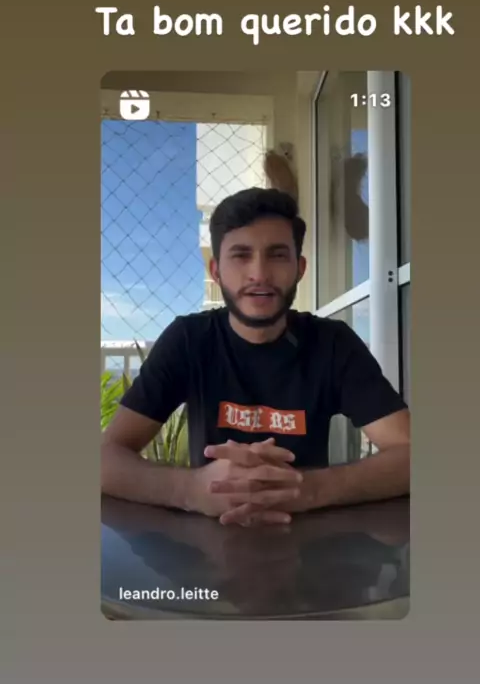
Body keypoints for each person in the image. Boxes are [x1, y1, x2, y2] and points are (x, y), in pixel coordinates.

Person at [101, 184, 410, 527]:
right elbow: (105, 458)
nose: (259, 274)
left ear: (300, 268)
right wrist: (191, 490)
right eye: (241, 255)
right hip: (208, 541)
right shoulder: (189, 340)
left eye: (277, 255)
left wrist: (309, 489)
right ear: (216, 271)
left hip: (311, 541)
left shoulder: (332, 343)